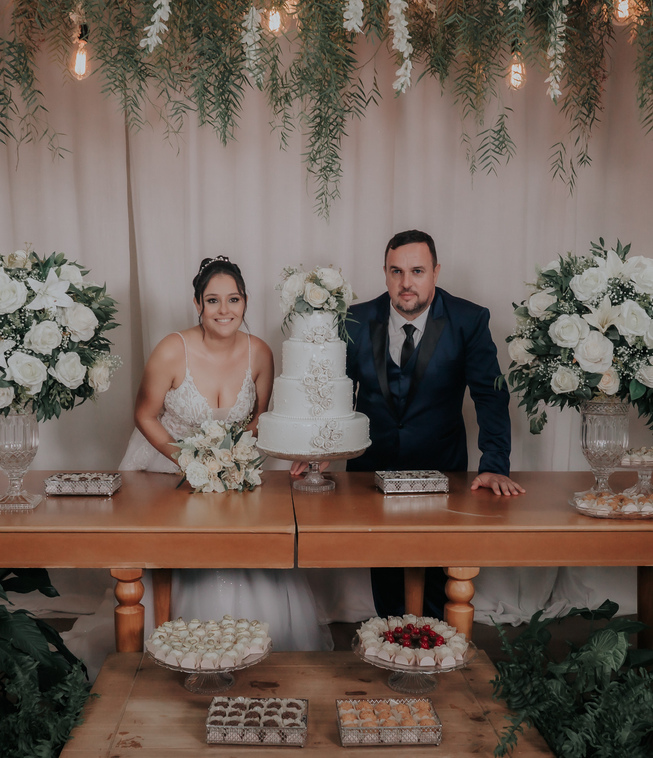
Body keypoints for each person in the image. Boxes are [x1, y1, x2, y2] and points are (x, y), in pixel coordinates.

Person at [293, 230, 524, 619]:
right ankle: (391, 643)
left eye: (417, 271)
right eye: (396, 271)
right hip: (372, 473)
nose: (406, 282)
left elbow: (490, 396)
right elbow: (335, 391)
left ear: (436, 272)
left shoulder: (468, 320)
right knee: (386, 578)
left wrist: (495, 465)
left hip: (443, 470)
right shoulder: (355, 320)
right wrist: (324, 449)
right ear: (384, 272)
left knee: (436, 580)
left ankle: (434, 645)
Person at [120, 256, 332, 651]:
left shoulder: (260, 352)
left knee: (244, 542)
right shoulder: (171, 350)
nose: (224, 310)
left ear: (245, 302)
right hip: (167, 471)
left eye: (233, 299)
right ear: (198, 304)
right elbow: (144, 415)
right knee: (179, 551)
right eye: (213, 300)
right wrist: (189, 459)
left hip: (233, 470)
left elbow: (260, 418)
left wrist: (229, 459)